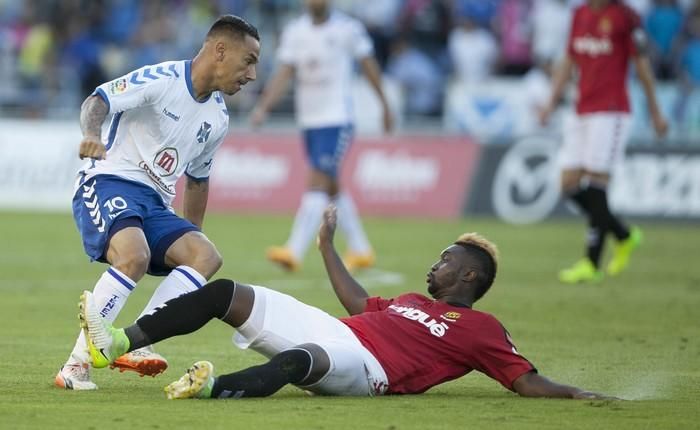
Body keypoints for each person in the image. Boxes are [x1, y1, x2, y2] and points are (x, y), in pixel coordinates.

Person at [79, 205, 613, 400]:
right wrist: (327, 247)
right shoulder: (407, 300)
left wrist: (581, 394)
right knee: (225, 293)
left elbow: (523, 379)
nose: (435, 265)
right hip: (345, 331)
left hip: (370, 369)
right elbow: (358, 302)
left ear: (469, 275)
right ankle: (118, 342)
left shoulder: (479, 328)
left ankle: (211, 388)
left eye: (445, 260)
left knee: (300, 361)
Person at [55, 15, 261, 390]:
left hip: (154, 203)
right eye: (249, 61)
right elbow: (97, 99)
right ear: (220, 50)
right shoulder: (162, 79)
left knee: (206, 256)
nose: (252, 74)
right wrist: (90, 134)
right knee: (134, 255)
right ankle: (75, 366)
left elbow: (198, 179)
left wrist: (190, 238)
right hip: (108, 180)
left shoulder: (217, 118)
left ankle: (136, 340)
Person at [250, 0, 393, 273]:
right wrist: (263, 106)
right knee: (331, 186)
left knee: (317, 180)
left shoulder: (348, 29)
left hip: (337, 119)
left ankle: (293, 251)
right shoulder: (295, 32)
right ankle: (361, 249)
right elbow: (284, 72)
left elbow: (368, 64)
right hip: (310, 121)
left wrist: (384, 104)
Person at [539, 0, 668, 284]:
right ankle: (623, 235)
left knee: (597, 181)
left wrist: (656, 112)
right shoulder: (579, 14)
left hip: (611, 112)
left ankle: (592, 262)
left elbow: (642, 65)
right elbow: (568, 61)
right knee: (568, 184)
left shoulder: (625, 17)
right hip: (580, 109)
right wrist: (550, 103)